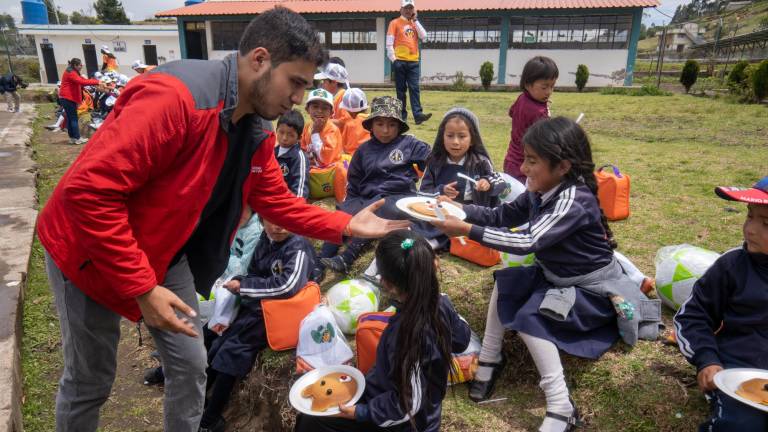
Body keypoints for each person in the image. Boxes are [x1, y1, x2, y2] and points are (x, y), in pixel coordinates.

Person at [37, 8, 409, 432]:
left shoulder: (254, 131)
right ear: (260, 60)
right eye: (297, 83)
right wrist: (142, 287)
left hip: (166, 251)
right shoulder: (176, 99)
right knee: (91, 380)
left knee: (191, 365)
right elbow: (88, 193)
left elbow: (278, 202)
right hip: (89, 248)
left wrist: (345, 225)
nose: (300, 101)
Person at [432, 117, 661, 432]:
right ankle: (490, 357)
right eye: (525, 158)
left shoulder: (572, 200)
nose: (523, 169)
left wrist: (467, 230)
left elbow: (529, 240)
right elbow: (503, 214)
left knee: (531, 321)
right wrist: (460, 210)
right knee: (506, 284)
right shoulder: (542, 189)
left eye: (532, 161)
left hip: (588, 290)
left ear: (563, 166)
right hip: (555, 275)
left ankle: (561, 406)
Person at [295, 230, 471, 432]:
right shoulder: (440, 302)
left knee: (311, 422)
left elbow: (408, 405)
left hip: (404, 422)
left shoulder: (406, 334)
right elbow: (462, 340)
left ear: (386, 283)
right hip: (398, 401)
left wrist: (360, 413)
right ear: (432, 266)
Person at [201, 218, 317, 432]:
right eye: (272, 220)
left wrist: (245, 286)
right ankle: (201, 403)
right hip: (259, 305)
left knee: (233, 351)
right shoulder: (267, 238)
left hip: (281, 311)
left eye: (285, 220)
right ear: (262, 220)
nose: (279, 226)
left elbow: (287, 287)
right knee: (219, 342)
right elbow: (256, 271)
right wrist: (241, 280)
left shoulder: (297, 246)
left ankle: (210, 419)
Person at [673, 176, 768, 432]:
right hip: (739, 372)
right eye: (750, 216)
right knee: (743, 425)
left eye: (766, 223)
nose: (750, 229)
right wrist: (707, 360)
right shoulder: (732, 266)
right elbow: (692, 316)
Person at [318, 96, 430, 275]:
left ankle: (347, 257)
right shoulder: (363, 151)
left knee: (379, 208)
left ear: (399, 126)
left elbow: (432, 160)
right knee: (341, 215)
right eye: (380, 124)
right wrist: (351, 205)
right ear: (371, 125)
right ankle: (319, 265)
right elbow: (354, 182)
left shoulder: (408, 143)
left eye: (392, 125)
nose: (385, 130)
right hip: (366, 197)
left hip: (397, 198)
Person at [414, 107, 506, 250]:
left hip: (472, 212)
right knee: (420, 222)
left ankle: (436, 242)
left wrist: (487, 183)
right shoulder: (435, 162)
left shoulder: (480, 161)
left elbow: (500, 182)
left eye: (462, 136)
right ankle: (432, 241)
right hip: (443, 211)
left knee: (466, 226)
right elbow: (422, 193)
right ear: (442, 136)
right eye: (450, 136)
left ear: (472, 140)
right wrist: (441, 191)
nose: (455, 142)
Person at [503, 56, 558, 182]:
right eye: (544, 87)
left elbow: (512, 113)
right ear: (528, 84)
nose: (549, 91)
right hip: (526, 166)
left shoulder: (521, 98)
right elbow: (546, 141)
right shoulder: (539, 112)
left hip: (511, 159)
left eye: (552, 86)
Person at [386, 0, 432, 125]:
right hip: (399, 61)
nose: (408, 10)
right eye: (406, 8)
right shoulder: (394, 23)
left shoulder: (414, 24)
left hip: (413, 62)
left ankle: (418, 115)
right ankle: (402, 116)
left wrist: (415, 20)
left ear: (414, 10)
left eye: (410, 8)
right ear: (401, 9)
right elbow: (389, 44)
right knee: (401, 90)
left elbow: (424, 36)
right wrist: (394, 60)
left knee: (414, 88)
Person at [300, 88, 347, 203]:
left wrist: (316, 133)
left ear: (331, 113)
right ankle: (302, 198)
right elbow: (302, 147)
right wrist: (306, 157)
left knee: (342, 169)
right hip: (313, 169)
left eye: (325, 108)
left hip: (330, 170)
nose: (319, 111)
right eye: (315, 107)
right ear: (307, 109)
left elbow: (326, 158)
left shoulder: (332, 129)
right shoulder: (307, 127)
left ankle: (343, 200)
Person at [59, 58, 102, 144]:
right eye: (80, 65)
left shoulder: (72, 71)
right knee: (73, 118)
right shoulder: (71, 73)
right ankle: (77, 138)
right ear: (75, 65)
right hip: (68, 98)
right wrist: (97, 82)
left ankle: (72, 138)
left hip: (66, 98)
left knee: (70, 118)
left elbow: (82, 80)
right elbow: (82, 82)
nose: (81, 66)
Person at [275, 109, 310, 199]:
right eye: (281, 132)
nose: (284, 138)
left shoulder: (299, 157)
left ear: (299, 138)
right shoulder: (272, 152)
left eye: (290, 135)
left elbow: (300, 190)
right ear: (276, 130)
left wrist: (294, 207)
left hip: (288, 202)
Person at [338, 88, 370, 155]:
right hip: (370, 158)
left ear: (348, 111)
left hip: (352, 160)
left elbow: (343, 147)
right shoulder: (373, 121)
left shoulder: (349, 125)